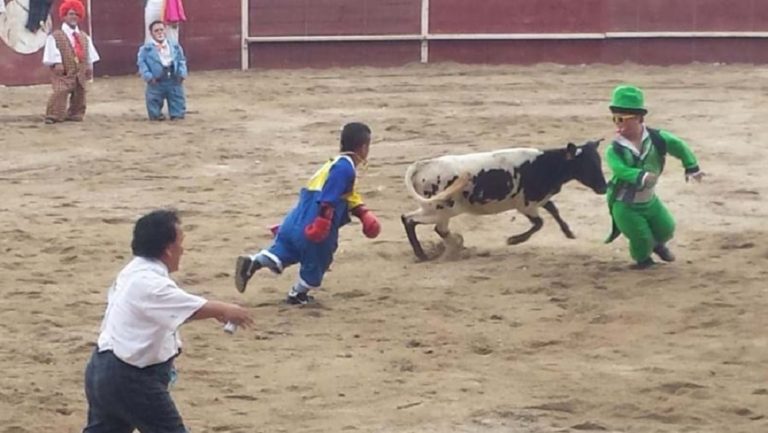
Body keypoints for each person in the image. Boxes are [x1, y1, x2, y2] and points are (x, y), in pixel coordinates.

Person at [82, 209, 253, 433]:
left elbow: (170, 307)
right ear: (168, 249)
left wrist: (215, 311)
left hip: (102, 369)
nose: (183, 249)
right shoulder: (149, 283)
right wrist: (224, 309)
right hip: (131, 377)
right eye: (180, 243)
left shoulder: (133, 271)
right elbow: (186, 306)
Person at [235, 122, 382, 304]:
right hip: (315, 222)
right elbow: (330, 195)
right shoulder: (345, 168)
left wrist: (362, 212)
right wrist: (323, 220)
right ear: (364, 147)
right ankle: (298, 294)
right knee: (318, 259)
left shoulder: (331, 164)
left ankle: (254, 262)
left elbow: (343, 193)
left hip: (294, 221)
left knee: (284, 250)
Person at [604, 84, 704, 269]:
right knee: (640, 236)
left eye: (622, 118)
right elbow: (619, 170)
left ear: (638, 118)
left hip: (649, 200)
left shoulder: (657, 138)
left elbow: (679, 146)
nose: (618, 124)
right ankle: (644, 261)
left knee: (666, 228)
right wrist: (640, 176)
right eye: (615, 118)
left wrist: (691, 166)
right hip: (625, 204)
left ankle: (656, 244)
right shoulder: (615, 148)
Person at [42, 0, 99, 124]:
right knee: (61, 90)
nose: (74, 17)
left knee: (80, 91)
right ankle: (54, 114)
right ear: (64, 16)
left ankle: (76, 113)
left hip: (80, 69)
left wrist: (90, 65)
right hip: (64, 69)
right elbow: (53, 49)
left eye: (76, 14)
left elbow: (89, 52)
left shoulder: (84, 36)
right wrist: (57, 62)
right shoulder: (56, 35)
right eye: (71, 14)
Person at [137, 20, 188, 121]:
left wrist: (182, 73)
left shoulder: (175, 47)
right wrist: (148, 77)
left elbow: (181, 60)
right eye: (156, 31)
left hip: (173, 77)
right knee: (154, 100)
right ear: (151, 34)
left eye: (161, 30)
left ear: (165, 31)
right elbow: (142, 65)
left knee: (177, 98)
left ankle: (176, 113)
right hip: (156, 79)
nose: (159, 32)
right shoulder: (145, 49)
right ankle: (156, 114)